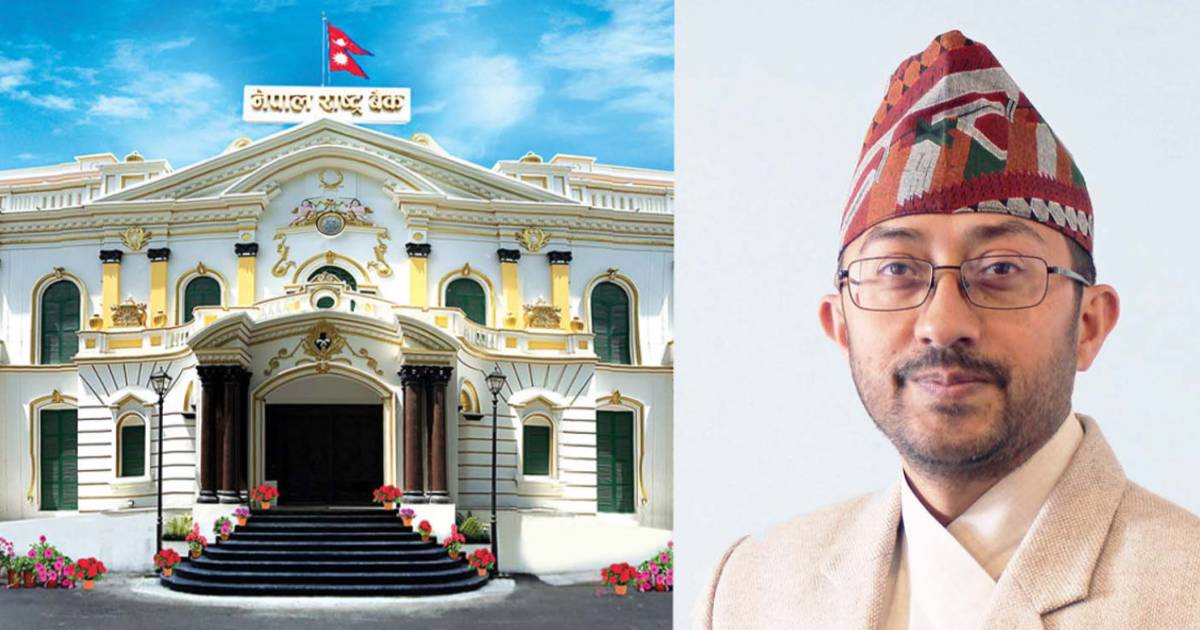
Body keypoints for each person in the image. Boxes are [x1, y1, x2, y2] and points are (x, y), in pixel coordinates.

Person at [696, 30, 1200, 629]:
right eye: (897, 270)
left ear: (1089, 324)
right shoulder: (751, 590)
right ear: (841, 325)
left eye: (1003, 270)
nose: (943, 323)